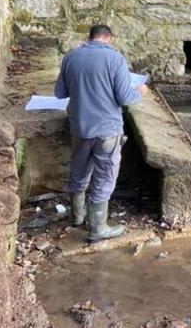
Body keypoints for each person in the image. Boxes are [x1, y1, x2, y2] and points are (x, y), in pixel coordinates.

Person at [54, 25, 149, 243]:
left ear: (89, 38)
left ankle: (77, 216)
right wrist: (139, 92)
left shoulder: (71, 56)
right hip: (107, 130)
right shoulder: (115, 59)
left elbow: (60, 93)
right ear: (110, 38)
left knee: (79, 172)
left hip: (79, 128)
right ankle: (97, 228)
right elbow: (125, 98)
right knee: (105, 176)